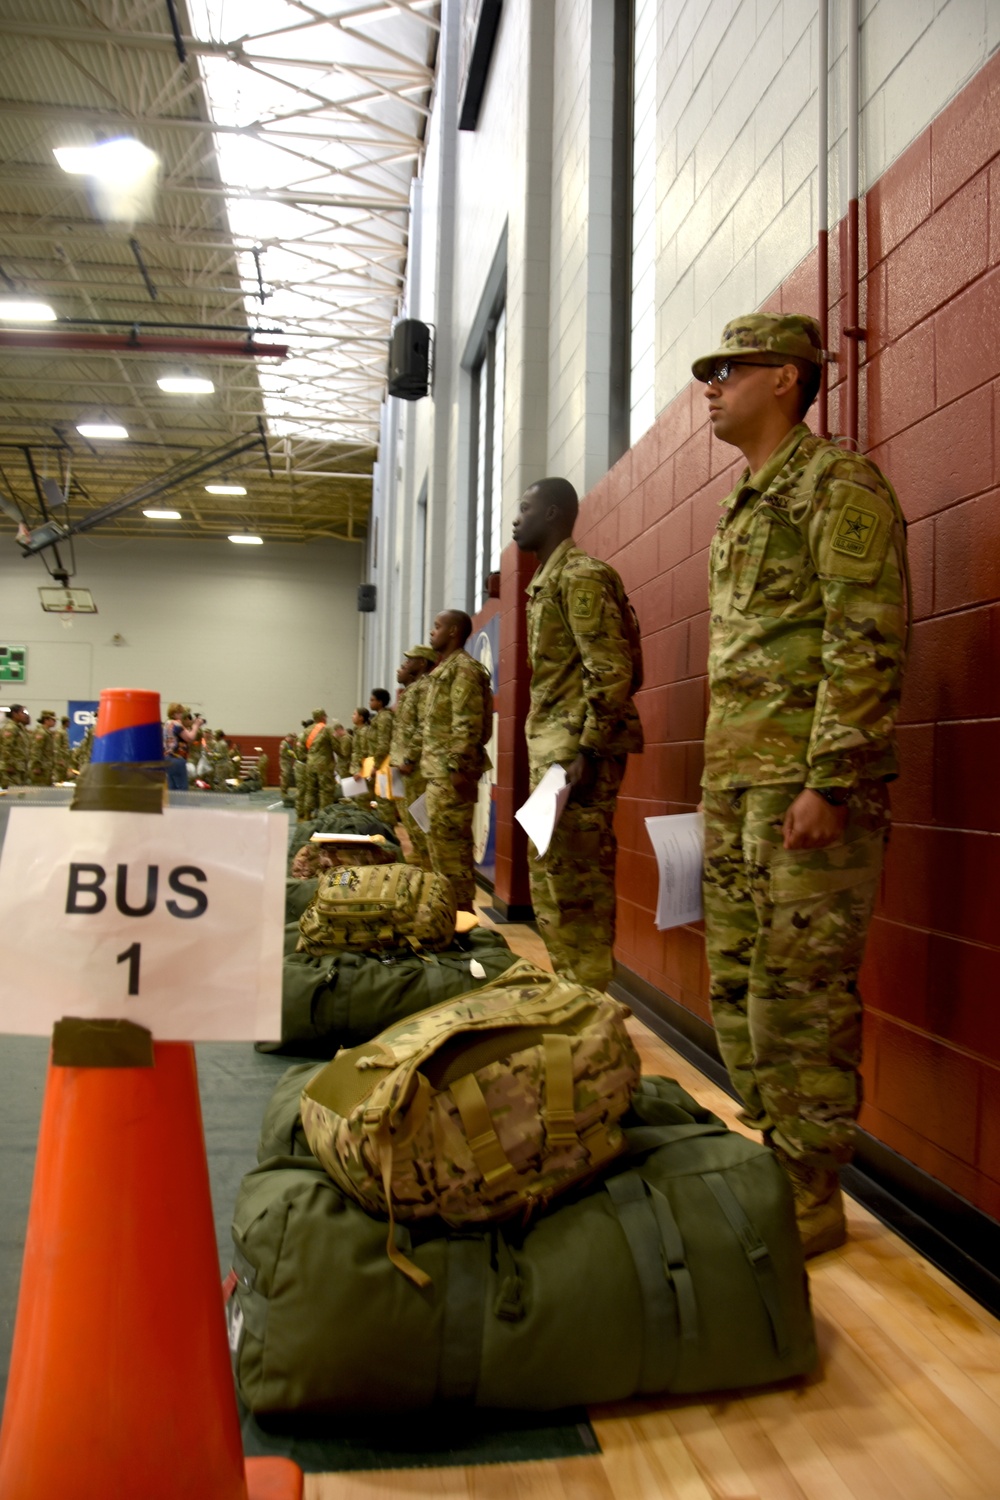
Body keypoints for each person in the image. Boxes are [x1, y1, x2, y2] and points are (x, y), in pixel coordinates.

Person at [691, 312, 909, 1258]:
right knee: (737, 988)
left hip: (804, 792)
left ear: (785, 378)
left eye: (727, 369)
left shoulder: (837, 486)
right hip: (738, 789)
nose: (711, 385)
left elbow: (866, 634)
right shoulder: (743, 509)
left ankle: (812, 1189)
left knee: (800, 995)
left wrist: (831, 779)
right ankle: (775, 1157)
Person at [513, 478, 644, 992]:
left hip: (576, 758)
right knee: (553, 877)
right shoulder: (546, 582)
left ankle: (589, 1002)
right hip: (556, 756)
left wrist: (587, 749)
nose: (516, 520)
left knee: (580, 883)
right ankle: (571, 991)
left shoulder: (581, 577)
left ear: (552, 513)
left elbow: (611, 671)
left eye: (524, 508)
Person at [420, 610, 493, 913]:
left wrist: (459, 769)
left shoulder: (463, 669)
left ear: (453, 632)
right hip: (439, 775)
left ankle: (461, 915)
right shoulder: (444, 670)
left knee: (453, 852)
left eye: (437, 626)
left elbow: (467, 723)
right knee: (441, 850)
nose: (431, 632)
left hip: (451, 776)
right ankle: (447, 913)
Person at [390, 644, 437, 868]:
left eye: (409, 661)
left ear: (421, 663)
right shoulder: (410, 691)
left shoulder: (425, 688)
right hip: (402, 767)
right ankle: (420, 864)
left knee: (421, 821)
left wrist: (409, 757)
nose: (404, 665)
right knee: (409, 820)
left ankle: (427, 871)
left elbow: (424, 726)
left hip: (415, 767)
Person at [367, 687, 396, 826]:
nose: (369, 703)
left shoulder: (384, 718)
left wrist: (376, 766)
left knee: (385, 801)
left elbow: (383, 744)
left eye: (372, 700)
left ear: (380, 702)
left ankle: (389, 834)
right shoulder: (379, 717)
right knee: (381, 799)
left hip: (384, 764)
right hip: (380, 763)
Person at [0, 703, 31, 788]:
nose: (24, 715)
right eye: (22, 712)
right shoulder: (10, 728)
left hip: (19, 768)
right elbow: (6, 747)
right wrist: (9, 765)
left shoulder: (19, 728)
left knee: (18, 794)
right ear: (14, 714)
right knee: (11, 795)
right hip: (12, 769)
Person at [29, 710, 57, 786]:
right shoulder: (41, 732)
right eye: (53, 720)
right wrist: (36, 766)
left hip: (46, 768)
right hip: (41, 768)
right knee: (39, 790)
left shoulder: (48, 733)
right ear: (46, 720)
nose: (55, 722)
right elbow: (36, 749)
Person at [53, 716, 71, 781]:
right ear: (66, 722)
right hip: (61, 759)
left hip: (65, 759)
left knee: (63, 778)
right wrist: (59, 759)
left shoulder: (65, 732)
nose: (69, 724)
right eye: (68, 722)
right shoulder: (59, 732)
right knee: (59, 779)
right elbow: (56, 746)